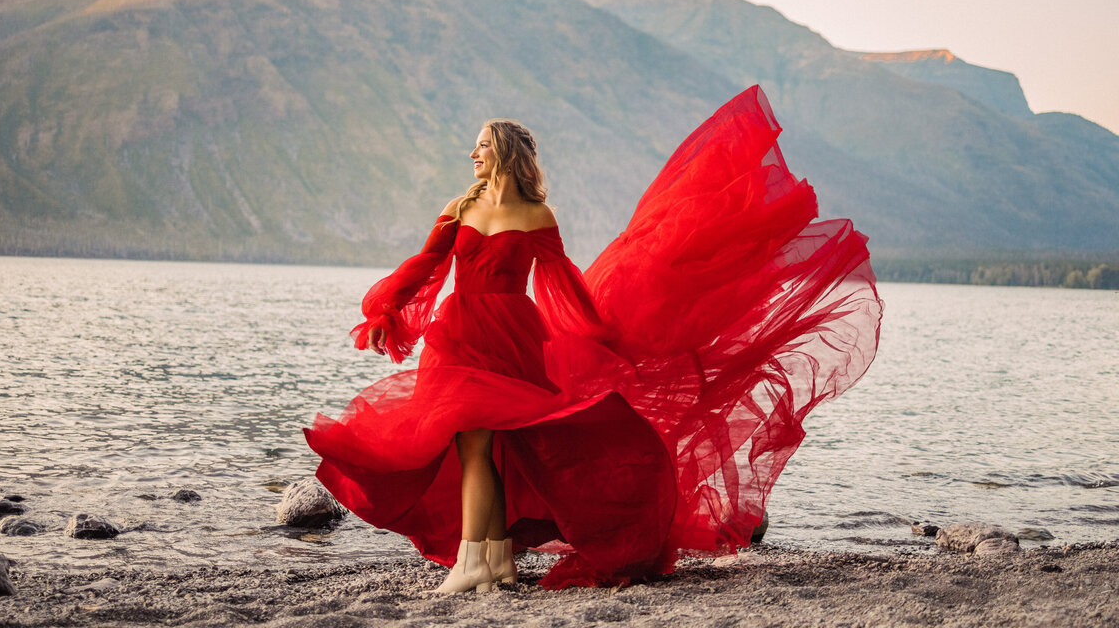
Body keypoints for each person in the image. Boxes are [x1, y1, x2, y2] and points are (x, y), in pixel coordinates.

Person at [304, 85, 883, 592]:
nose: (472, 153)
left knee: (487, 447)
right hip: (459, 332)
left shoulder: (537, 217)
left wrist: (601, 333)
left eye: (481, 144)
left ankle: (473, 562)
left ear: (504, 151)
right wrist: (388, 308)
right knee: (475, 446)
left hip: (511, 335)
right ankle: (498, 559)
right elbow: (427, 266)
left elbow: (562, 284)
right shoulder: (459, 208)